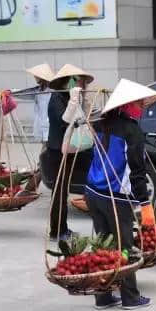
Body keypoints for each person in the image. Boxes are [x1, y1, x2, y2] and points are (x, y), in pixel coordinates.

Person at [84, 79, 156, 310]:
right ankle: (130, 297)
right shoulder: (131, 130)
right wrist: (146, 205)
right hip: (115, 197)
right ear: (128, 105)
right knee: (124, 246)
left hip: (93, 192)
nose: (143, 107)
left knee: (104, 244)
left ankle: (103, 295)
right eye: (139, 103)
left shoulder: (101, 123)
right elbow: (137, 172)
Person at [46, 64, 95, 241]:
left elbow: (80, 120)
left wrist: (83, 102)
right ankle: (56, 231)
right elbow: (64, 120)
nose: (82, 84)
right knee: (59, 192)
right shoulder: (56, 99)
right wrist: (74, 101)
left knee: (63, 191)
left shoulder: (69, 98)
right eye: (79, 80)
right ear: (70, 80)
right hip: (57, 151)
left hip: (67, 150)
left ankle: (62, 228)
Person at [21, 64, 54, 193]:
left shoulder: (52, 91)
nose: (35, 78)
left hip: (51, 131)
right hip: (43, 131)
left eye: (37, 75)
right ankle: (33, 186)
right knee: (45, 159)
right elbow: (24, 93)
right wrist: (9, 93)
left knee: (43, 159)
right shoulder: (38, 90)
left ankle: (31, 187)